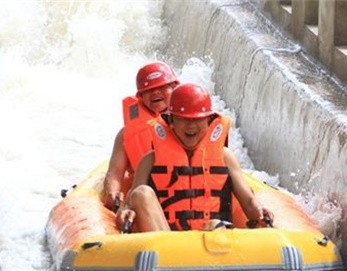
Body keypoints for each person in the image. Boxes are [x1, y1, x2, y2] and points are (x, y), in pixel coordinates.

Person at [116, 83, 272, 232]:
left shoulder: (225, 157)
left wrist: (260, 212)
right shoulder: (150, 160)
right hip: (166, 243)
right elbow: (131, 203)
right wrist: (126, 211)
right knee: (141, 193)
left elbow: (249, 202)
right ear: (171, 121)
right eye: (183, 119)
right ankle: (169, 257)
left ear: (208, 121)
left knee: (215, 224)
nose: (191, 126)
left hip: (214, 242)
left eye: (197, 119)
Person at [102, 61, 179, 211]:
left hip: (185, 199)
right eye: (149, 89)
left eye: (162, 87)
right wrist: (112, 193)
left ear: (174, 88)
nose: (156, 92)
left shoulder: (189, 126)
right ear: (141, 96)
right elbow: (114, 173)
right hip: (147, 202)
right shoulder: (126, 134)